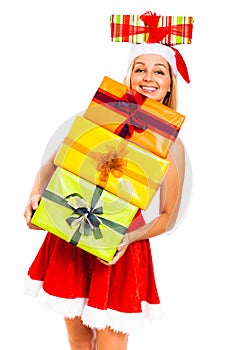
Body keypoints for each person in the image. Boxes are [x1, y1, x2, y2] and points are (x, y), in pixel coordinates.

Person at [24, 12, 193, 350]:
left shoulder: (172, 145)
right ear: (129, 75)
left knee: (111, 342)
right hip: (71, 228)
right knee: (77, 338)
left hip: (121, 246)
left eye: (159, 71)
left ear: (170, 82)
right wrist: (34, 193)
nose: (148, 78)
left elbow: (166, 216)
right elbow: (53, 164)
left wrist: (127, 238)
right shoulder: (101, 113)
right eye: (140, 69)